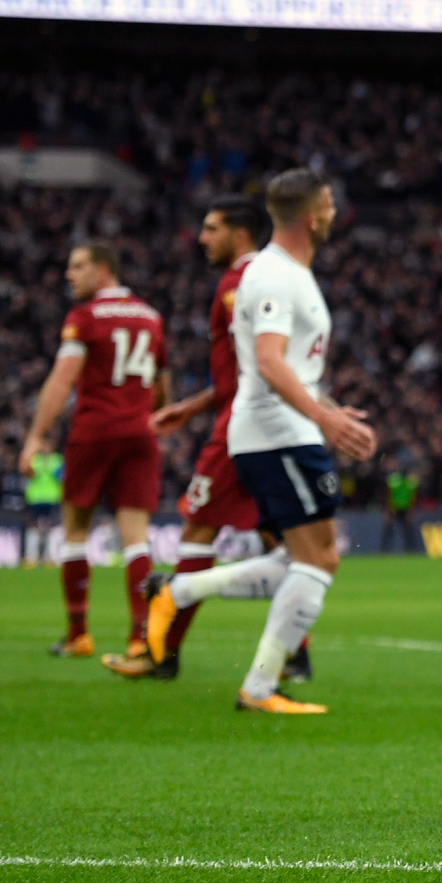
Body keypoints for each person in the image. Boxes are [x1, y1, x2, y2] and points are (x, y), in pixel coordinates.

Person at [146, 169, 377, 713]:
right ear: (312, 214)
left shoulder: (290, 271)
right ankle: (258, 684)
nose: (335, 215)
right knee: (318, 560)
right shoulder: (273, 274)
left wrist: (324, 408)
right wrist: (323, 418)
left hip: (279, 430)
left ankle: (179, 596)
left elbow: (280, 363)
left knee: (308, 560)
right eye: (329, 205)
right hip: (278, 434)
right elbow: (269, 363)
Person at [105, 196, 296, 680]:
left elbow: (257, 367)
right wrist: (190, 407)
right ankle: (297, 654)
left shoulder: (240, 283)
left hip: (243, 426)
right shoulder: (270, 276)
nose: (201, 237)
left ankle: (161, 652)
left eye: (211, 229)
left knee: (196, 533)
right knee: (284, 538)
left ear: (238, 234)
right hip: (268, 421)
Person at [19, 244, 169, 659]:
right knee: (137, 540)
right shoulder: (152, 318)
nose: (70, 274)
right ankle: (140, 639)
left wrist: (35, 436)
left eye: (78, 266)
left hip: (94, 432)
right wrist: (144, 416)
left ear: (103, 270)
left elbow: (62, 380)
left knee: (75, 533)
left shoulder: (84, 319)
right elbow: (162, 389)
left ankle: (78, 635)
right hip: (140, 434)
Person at [22, 445, 62, 569]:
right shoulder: (34, 459)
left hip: (52, 497)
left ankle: (49, 556)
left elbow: (62, 476)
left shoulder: (57, 460)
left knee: (52, 528)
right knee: (33, 527)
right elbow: (26, 473)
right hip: (35, 498)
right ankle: (31, 557)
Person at [383, 463, 421, 553]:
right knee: (405, 531)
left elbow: (388, 495)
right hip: (401, 508)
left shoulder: (394, 481)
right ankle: (410, 549)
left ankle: (386, 549)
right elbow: (413, 498)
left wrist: (388, 509)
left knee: (393, 530)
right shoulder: (410, 482)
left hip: (397, 508)